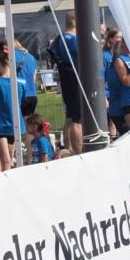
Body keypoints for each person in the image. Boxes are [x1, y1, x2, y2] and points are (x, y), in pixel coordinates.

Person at [47, 13, 83, 155]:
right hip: (75, 80)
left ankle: (67, 147)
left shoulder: (60, 38)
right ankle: (78, 151)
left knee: (70, 115)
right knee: (77, 118)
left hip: (68, 80)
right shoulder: (71, 40)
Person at [0, 52, 26, 173]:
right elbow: (21, 100)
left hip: (5, 124)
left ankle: (0, 180)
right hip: (10, 124)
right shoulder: (20, 82)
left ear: (0, 63)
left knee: (3, 157)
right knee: (6, 158)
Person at [15, 40, 39, 116]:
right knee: (29, 123)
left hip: (20, 94)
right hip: (32, 94)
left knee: (19, 123)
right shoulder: (31, 57)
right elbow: (34, 78)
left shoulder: (12, 56)